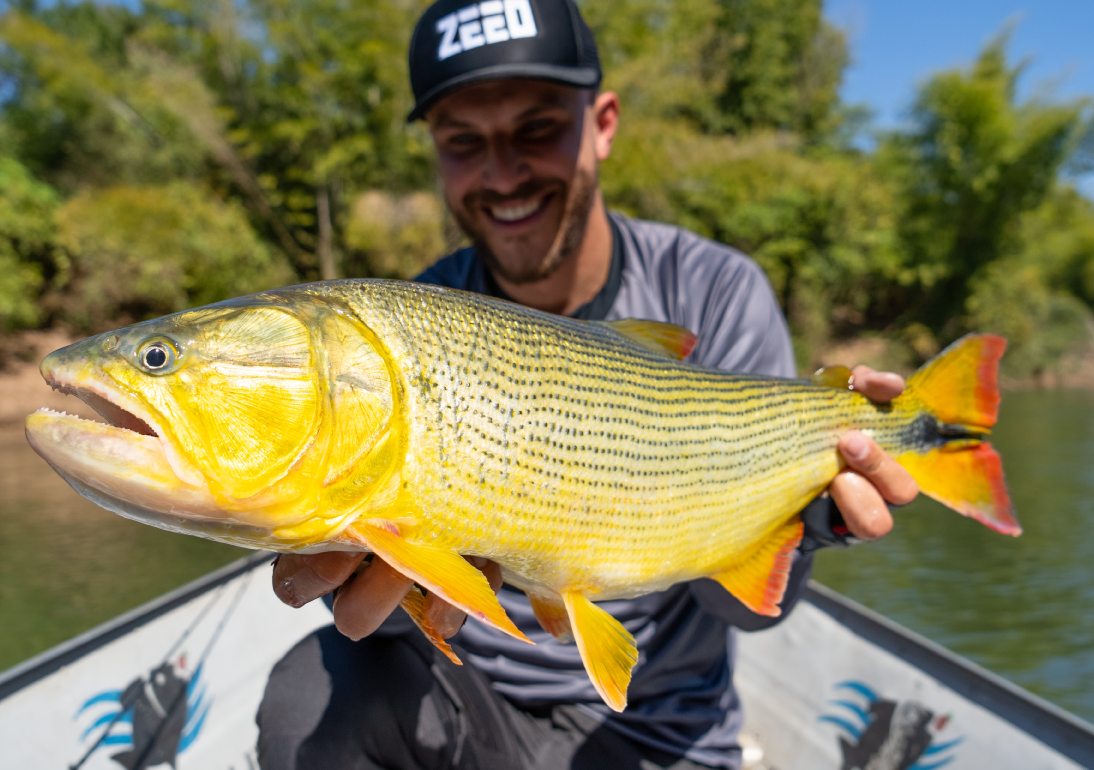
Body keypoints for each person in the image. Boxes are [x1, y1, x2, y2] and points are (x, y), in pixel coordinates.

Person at [258, 1, 919, 767]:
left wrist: (811, 519)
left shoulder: (718, 289)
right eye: (464, 141)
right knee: (310, 692)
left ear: (603, 123)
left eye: (536, 129)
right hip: (473, 705)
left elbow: (745, 614)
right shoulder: (415, 323)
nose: (502, 173)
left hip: (660, 732)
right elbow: (403, 622)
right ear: (434, 153)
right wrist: (381, 581)